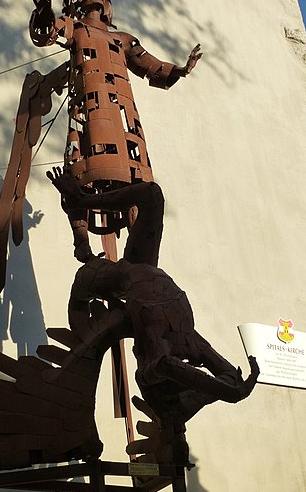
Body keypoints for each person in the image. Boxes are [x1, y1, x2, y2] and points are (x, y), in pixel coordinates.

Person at [46, 167, 260, 436]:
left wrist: (228, 391)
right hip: (145, 266)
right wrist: (232, 390)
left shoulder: (153, 367)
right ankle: (81, 210)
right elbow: (230, 377)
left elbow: (174, 368)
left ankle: (80, 222)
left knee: (85, 281)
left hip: (123, 278)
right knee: (152, 194)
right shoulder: (192, 344)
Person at [27, 0, 202, 261]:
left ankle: (139, 256)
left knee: (135, 177)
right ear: (78, 2)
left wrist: (182, 70)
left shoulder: (123, 40)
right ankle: (82, 244)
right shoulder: (76, 29)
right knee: (80, 170)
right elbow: (48, 32)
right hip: (87, 110)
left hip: (124, 118)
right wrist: (44, 8)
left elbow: (150, 66)